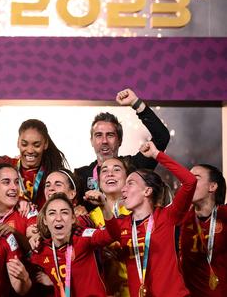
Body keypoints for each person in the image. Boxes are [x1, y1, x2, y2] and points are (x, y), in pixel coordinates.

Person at [105, 141, 197, 296]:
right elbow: (102, 237)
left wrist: (156, 154)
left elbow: (190, 181)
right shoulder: (122, 224)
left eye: (130, 183)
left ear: (147, 191)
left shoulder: (168, 216)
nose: (123, 189)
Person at [75, 88, 170, 195]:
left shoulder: (134, 166)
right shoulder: (81, 176)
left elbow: (162, 137)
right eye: (98, 135)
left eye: (110, 135)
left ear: (120, 140)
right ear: (91, 141)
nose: (104, 141)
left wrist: (135, 103)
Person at [30, 193, 117, 297]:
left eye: (64, 212)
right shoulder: (41, 249)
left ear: (73, 219)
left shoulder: (84, 237)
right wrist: (54, 281)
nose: (58, 218)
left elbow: (112, 235)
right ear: (45, 220)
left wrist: (103, 206)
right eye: (52, 213)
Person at [0, 119, 68, 209]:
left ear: (45, 144)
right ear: (18, 142)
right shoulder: (6, 165)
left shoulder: (54, 173)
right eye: (24, 144)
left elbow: (69, 201)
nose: (30, 150)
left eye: (36, 145)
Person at [84, 157, 133, 297]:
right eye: (104, 171)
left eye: (117, 169)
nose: (110, 174)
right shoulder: (89, 218)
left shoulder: (138, 212)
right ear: (98, 181)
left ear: (127, 179)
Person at [179, 164, 226, 296]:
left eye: (195, 178)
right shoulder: (181, 219)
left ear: (212, 187)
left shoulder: (225, 216)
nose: (188, 181)